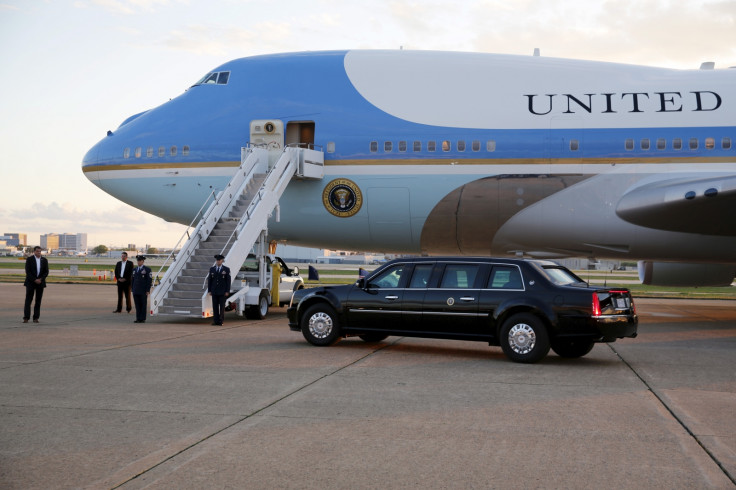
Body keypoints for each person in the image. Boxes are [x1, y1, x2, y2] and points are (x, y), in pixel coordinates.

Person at [23, 246, 49, 323]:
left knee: (38, 301)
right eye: (37, 251)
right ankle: (26, 317)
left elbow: (46, 272)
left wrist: (40, 279)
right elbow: (28, 271)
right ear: (34, 252)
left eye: (40, 251)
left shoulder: (44, 260)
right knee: (28, 301)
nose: (39, 253)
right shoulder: (29, 259)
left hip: (40, 283)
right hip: (31, 283)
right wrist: (34, 279)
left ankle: (36, 318)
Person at [207, 254, 231, 326]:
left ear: (222, 261)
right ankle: (216, 321)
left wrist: (227, 291)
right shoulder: (212, 269)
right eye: (217, 260)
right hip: (214, 291)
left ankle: (221, 321)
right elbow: (210, 280)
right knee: (215, 307)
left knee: (222, 307)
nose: (218, 261)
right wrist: (209, 290)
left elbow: (228, 281)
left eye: (219, 260)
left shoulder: (226, 269)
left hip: (222, 292)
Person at [131, 255, 152, 323]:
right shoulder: (134, 270)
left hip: (143, 290)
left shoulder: (147, 270)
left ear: (143, 261)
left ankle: (142, 318)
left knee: (143, 305)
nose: (138, 262)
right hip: (136, 290)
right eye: (138, 261)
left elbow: (149, 281)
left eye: (140, 261)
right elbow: (132, 280)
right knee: (137, 305)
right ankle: (138, 318)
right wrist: (132, 289)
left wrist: (147, 290)